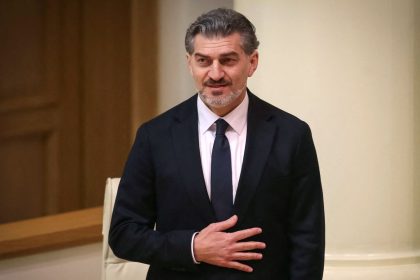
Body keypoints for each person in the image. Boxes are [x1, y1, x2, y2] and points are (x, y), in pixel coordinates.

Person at [109, 8, 325, 280]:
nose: (215, 73)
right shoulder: (155, 136)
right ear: (189, 63)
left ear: (252, 61)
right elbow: (123, 233)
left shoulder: (291, 135)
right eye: (203, 60)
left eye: (228, 60)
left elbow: (308, 241)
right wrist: (193, 247)